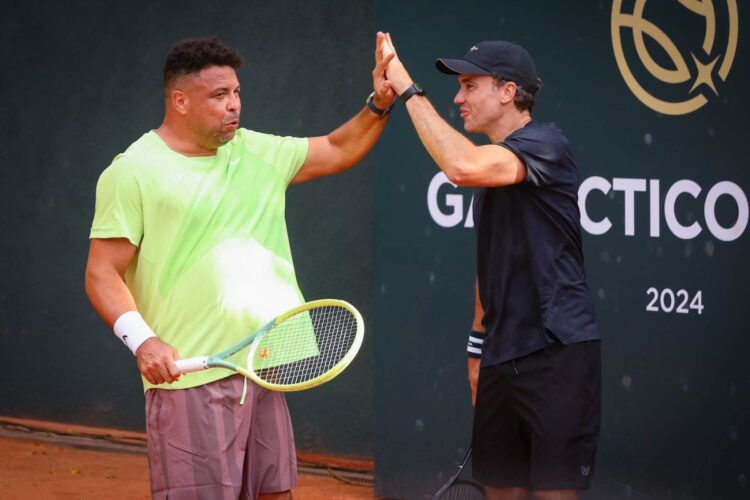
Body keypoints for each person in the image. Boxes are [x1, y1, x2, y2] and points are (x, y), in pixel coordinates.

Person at [84, 34, 397, 499]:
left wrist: (380, 102)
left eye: (236, 93)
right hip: (191, 379)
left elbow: (337, 148)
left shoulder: (256, 151)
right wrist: (142, 339)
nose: (234, 106)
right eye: (219, 96)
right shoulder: (132, 171)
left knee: (276, 494)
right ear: (180, 100)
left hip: (263, 365)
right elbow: (101, 272)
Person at [382, 36, 602, 500]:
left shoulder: (546, 144)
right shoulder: (491, 182)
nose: (458, 98)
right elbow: (491, 269)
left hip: (557, 354)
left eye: (468, 86)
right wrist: (476, 350)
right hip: (501, 357)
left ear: (507, 92)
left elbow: (459, 165)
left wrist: (406, 88)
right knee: (502, 492)